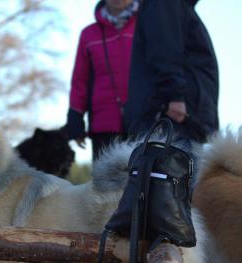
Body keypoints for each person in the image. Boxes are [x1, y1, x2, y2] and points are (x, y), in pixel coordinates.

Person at [124, 0, 219, 146]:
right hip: (174, 118)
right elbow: (163, 50)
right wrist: (174, 95)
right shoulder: (165, 3)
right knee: (175, 166)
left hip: (184, 118)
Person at [66, 0, 140, 160]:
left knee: (143, 183)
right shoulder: (88, 34)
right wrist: (75, 119)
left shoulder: (148, 27)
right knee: (106, 184)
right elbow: (80, 81)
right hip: (103, 127)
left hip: (144, 123)